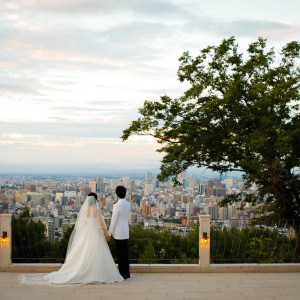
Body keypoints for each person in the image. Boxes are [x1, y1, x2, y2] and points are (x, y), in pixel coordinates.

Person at [20, 192, 123, 285]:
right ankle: (96, 272)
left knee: (83, 252)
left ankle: (83, 271)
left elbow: (83, 223)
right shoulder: (96, 210)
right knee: (96, 252)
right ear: (95, 200)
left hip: (86, 233)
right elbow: (101, 224)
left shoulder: (85, 210)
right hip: (95, 233)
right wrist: (107, 234)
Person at [108, 186, 131, 279]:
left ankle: (122, 273)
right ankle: (126, 272)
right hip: (125, 230)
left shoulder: (117, 205)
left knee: (120, 253)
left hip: (118, 232)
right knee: (125, 252)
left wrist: (109, 233)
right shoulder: (128, 204)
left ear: (117, 194)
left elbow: (113, 221)